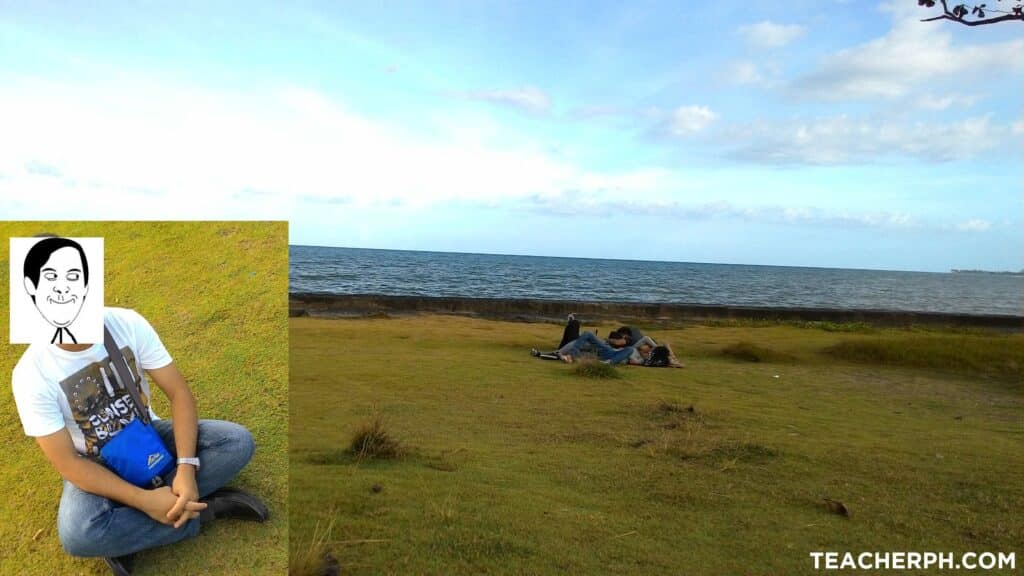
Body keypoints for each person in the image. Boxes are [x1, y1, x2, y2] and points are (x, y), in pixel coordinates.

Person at [12, 300, 269, 576]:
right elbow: (68, 463)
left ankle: (132, 526)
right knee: (78, 533)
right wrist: (143, 501)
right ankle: (206, 510)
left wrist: (186, 467)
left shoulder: (125, 323)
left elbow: (179, 394)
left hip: (148, 437)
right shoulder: (31, 373)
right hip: (93, 461)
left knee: (236, 442)